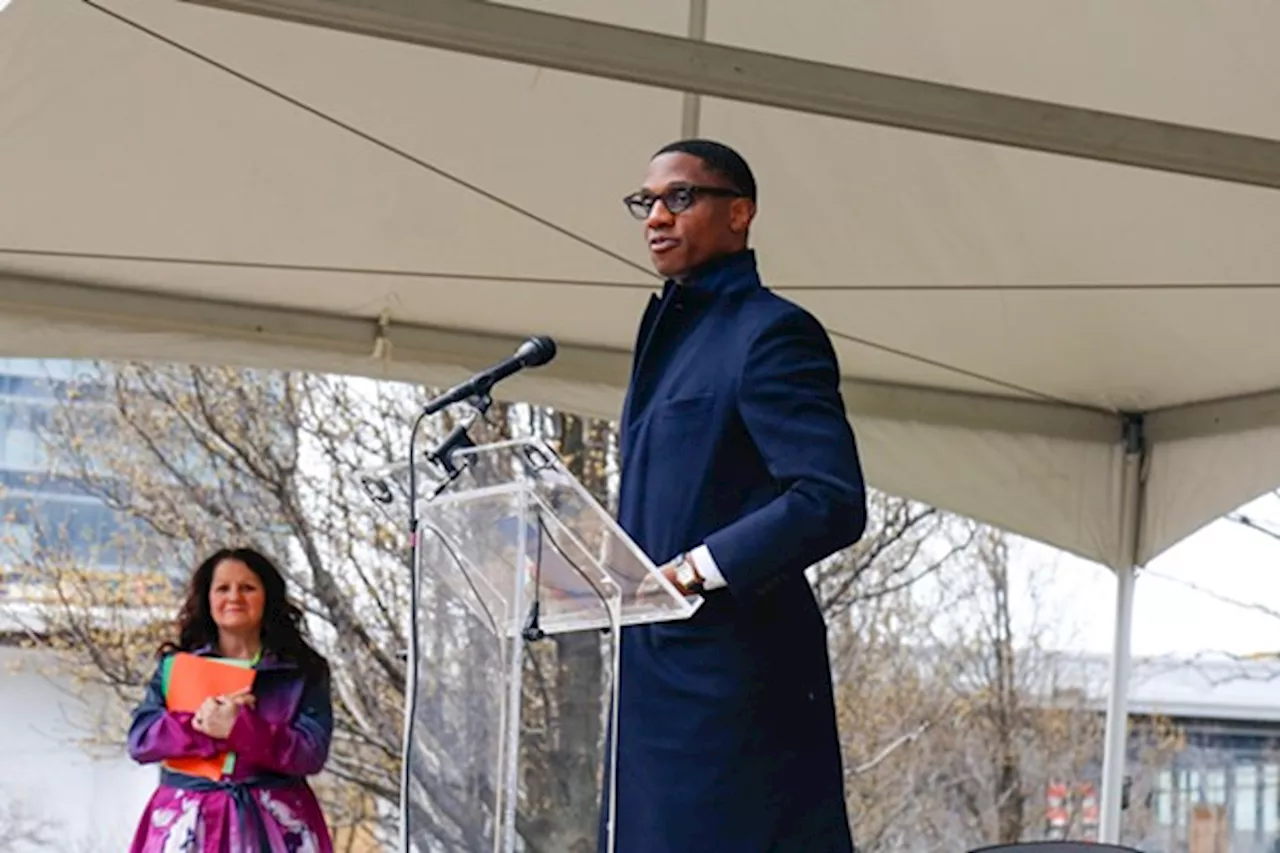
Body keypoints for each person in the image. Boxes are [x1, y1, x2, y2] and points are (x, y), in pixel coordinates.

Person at [609, 139, 868, 852]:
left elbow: (831, 496)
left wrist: (695, 569)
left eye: (679, 197)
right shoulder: (668, 337)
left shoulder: (772, 333)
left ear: (740, 213)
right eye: (646, 203)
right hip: (652, 680)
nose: (656, 216)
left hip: (732, 687)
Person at [127, 547, 335, 852]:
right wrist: (202, 725)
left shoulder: (302, 670)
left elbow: (311, 753)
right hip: (186, 821)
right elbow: (141, 740)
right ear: (207, 599)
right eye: (223, 588)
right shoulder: (176, 667)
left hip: (275, 824)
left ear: (268, 598)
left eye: (247, 588)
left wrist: (241, 728)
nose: (234, 597)